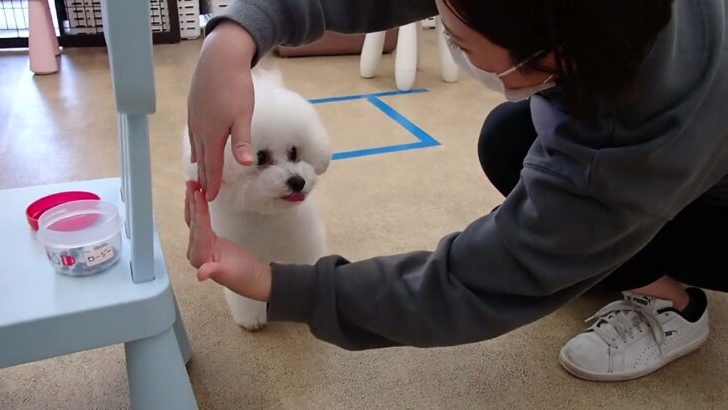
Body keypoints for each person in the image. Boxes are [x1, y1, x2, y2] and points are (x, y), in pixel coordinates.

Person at [185, 0, 728, 381]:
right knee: (507, 139)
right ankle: (588, 250)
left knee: (561, 234)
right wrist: (243, 29)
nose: (443, 28)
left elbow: (465, 288)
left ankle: (672, 303)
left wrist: (274, 284)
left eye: (454, 37)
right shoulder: (590, 18)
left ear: (554, 56)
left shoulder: (628, 150)